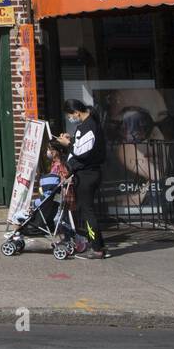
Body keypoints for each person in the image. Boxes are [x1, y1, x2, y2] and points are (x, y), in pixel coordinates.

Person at [57, 99, 108, 259]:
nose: (70, 118)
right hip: (89, 173)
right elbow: (83, 146)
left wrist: (68, 143)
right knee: (87, 209)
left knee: (87, 211)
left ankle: (97, 248)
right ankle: (98, 245)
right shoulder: (90, 125)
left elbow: (81, 151)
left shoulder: (88, 126)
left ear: (76, 112)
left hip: (87, 174)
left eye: (70, 115)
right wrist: (71, 140)